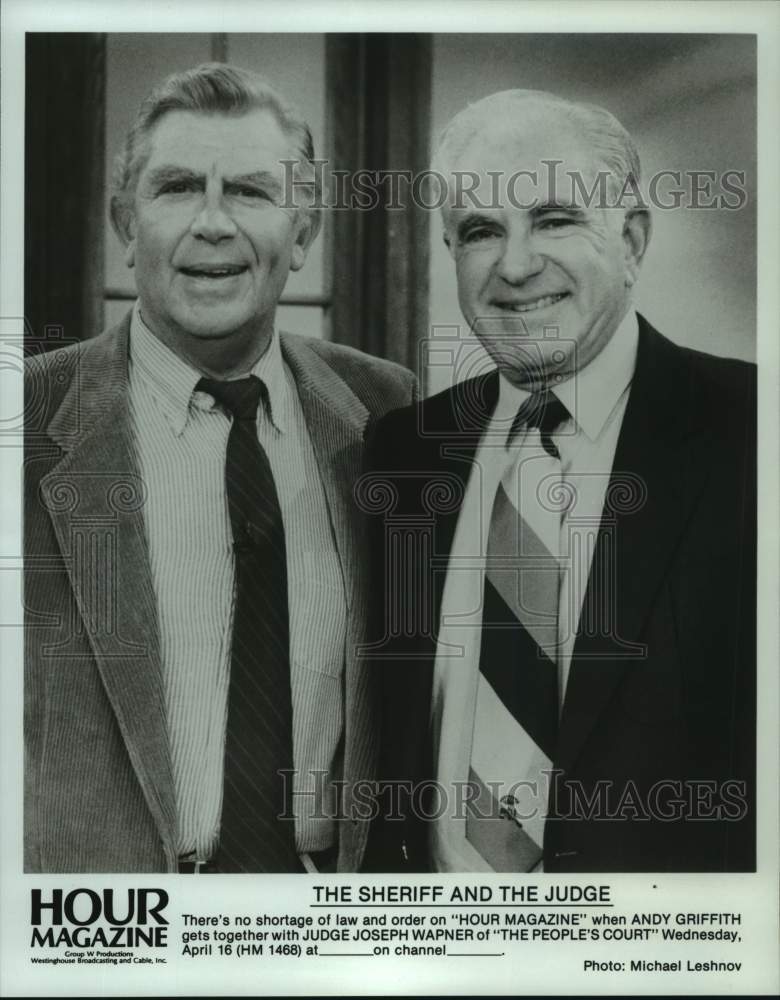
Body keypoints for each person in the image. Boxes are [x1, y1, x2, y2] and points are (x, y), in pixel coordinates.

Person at [24, 63, 415, 873]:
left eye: (249, 191)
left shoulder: (385, 410)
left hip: (321, 934)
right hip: (98, 945)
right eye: (175, 188)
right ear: (124, 225)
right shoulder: (22, 423)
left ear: (302, 233)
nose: (212, 223)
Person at [363, 90, 755, 873]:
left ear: (632, 239)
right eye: (480, 231)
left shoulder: (752, 433)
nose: (515, 265)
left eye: (554, 219)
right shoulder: (404, 452)